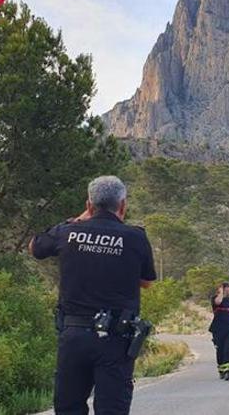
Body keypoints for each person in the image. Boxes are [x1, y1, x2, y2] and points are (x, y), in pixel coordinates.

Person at [29, 175, 156, 415]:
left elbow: (35, 247)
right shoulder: (136, 237)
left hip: (74, 336)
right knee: (112, 409)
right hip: (116, 339)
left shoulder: (68, 231)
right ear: (123, 205)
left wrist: (79, 220)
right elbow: (147, 282)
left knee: (69, 408)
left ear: (89, 205)